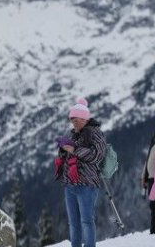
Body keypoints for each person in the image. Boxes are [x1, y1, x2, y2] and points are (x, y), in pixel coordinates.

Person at [54, 97, 106, 247]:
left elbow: (97, 156)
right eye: (72, 120)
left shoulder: (96, 133)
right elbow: (69, 156)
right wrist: (63, 150)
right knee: (73, 223)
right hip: (70, 184)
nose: (73, 123)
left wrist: (74, 149)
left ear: (84, 119)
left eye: (76, 120)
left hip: (87, 184)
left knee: (87, 221)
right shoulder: (73, 134)